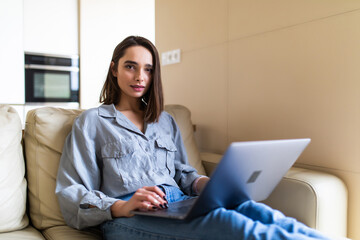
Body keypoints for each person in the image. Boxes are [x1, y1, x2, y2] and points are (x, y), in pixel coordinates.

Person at [56, 36, 331, 240]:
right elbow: (71, 194)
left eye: (148, 69)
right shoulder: (92, 122)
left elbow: (181, 173)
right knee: (235, 226)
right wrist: (122, 205)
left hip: (179, 203)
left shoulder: (165, 121)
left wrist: (206, 184)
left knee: (258, 212)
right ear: (114, 69)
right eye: (131, 66)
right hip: (129, 217)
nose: (140, 76)